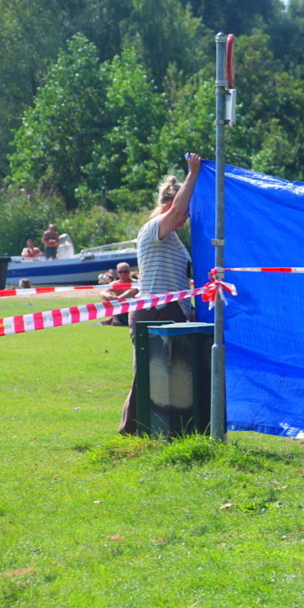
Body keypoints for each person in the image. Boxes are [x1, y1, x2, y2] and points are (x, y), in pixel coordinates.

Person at [119, 153, 201, 435]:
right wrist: (193, 173)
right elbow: (177, 211)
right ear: (170, 204)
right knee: (147, 375)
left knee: (167, 376)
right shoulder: (155, 227)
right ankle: (131, 431)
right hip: (155, 311)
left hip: (170, 310)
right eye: (186, 210)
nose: (186, 217)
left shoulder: (172, 238)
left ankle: (162, 430)